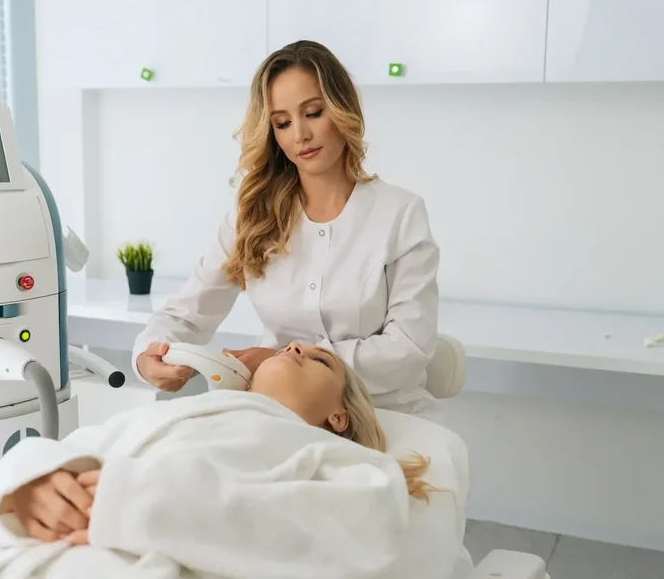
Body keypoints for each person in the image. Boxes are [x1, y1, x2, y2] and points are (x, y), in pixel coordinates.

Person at [133, 40, 442, 420]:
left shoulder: (400, 213)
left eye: (313, 113)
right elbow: (187, 314)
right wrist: (148, 354)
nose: (300, 135)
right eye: (282, 123)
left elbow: (408, 350)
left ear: (343, 109)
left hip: (383, 416)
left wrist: (276, 361)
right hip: (280, 416)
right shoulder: (252, 215)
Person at [0, 343, 436, 546]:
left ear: (338, 417)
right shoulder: (162, 415)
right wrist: (26, 492)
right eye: (290, 347)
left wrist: (130, 503)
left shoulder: (330, 458)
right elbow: (43, 457)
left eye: (321, 359)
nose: (294, 345)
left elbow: (362, 526)